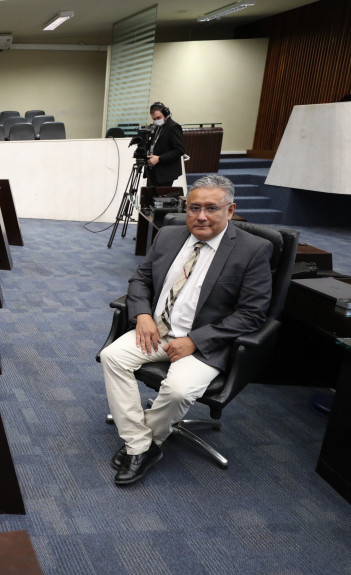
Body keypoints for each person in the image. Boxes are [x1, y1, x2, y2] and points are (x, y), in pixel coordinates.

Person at [99, 174, 273, 485]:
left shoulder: (253, 250)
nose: (201, 216)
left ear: (230, 210)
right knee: (112, 356)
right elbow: (140, 279)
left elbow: (252, 314)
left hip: (207, 343)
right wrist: (142, 314)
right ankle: (141, 445)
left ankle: (141, 443)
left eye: (211, 208)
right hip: (156, 330)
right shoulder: (168, 236)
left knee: (179, 390)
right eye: (194, 208)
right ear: (185, 208)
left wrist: (194, 340)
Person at [145, 101, 185, 187]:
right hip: (153, 170)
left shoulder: (173, 127)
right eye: (154, 119)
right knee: (149, 198)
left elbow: (180, 150)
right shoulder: (157, 127)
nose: (156, 121)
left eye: (158, 117)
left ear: (166, 114)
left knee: (161, 199)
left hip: (165, 173)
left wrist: (159, 158)